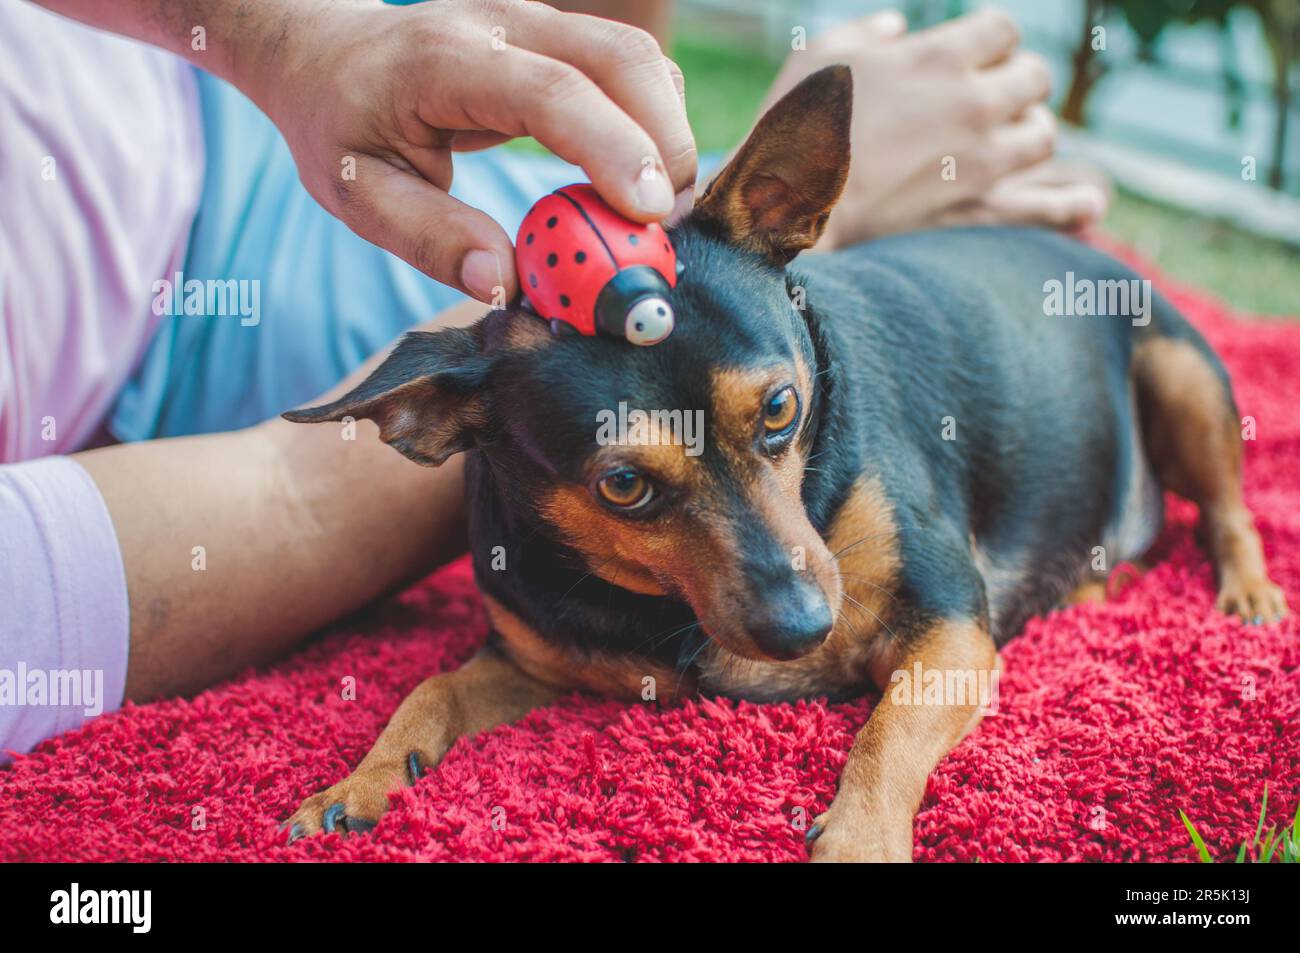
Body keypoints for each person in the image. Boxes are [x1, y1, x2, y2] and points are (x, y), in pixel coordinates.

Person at [0, 0, 1107, 757]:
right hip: (265, 295)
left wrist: (288, 39)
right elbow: (289, 491)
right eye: (636, 486)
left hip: (231, 85)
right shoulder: (496, 375)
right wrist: (773, 238)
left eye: (776, 415)